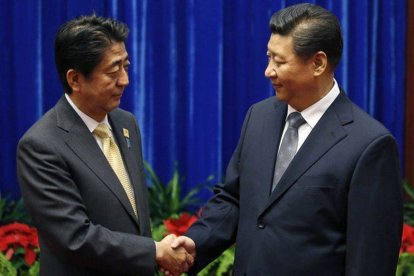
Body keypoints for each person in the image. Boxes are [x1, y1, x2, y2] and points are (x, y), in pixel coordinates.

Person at [172, 3, 403, 275]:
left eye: (279, 61)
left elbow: (370, 259)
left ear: (318, 63)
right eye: (268, 57)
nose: (268, 71)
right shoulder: (258, 117)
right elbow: (235, 198)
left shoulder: (369, 144)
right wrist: (195, 243)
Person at [16, 14, 192, 276]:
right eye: (113, 71)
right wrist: (154, 251)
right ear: (75, 79)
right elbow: (75, 237)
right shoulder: (41, 145)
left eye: (126, 66)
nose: (125, 80)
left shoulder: (125, 123)